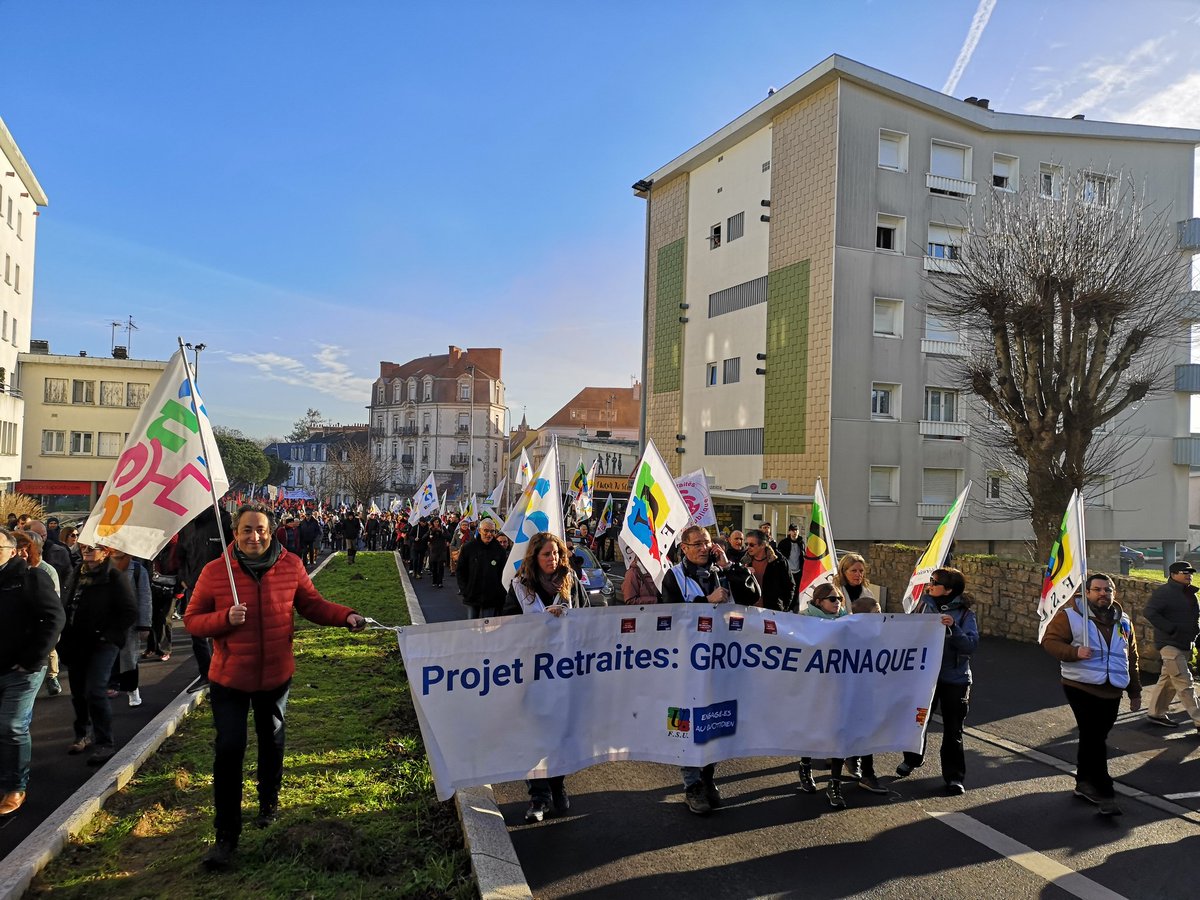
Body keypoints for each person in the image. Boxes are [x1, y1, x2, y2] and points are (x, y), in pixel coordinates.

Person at [184, 503, 366, 871]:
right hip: (230, 678)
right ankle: (226, 835)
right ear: (234, 534)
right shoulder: (217, 572)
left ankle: (268, 802)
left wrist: (346, 615)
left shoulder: (291, 565)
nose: (255, 537)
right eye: (247, 530)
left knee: (272, 739)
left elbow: (312, 605)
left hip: (275, 675)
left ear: (272, 531)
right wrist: (224, 619)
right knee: (230, 750)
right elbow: (192, 620)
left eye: (261, 530)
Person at [661, 524, 760, 814]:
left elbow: (751, 597)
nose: (704, 548)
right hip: (685, 664)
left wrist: (730, 566)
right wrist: (705, 602)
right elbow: (670, 616)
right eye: (698, 544)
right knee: (685, 724)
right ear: (684, 548)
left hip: (719, 660)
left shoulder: (722, 571)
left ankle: (707, 778)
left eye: (707, 542)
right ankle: (691, 785)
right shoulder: (674, 577)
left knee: (714, 721)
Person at [502, 531, 587, 823]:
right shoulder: (519, 586)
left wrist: (567, 617)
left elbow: (589, 621)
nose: (553, 559)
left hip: (564, 671)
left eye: (556, 553)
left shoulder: (570, 581)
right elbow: (508, 624)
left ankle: (558, 785)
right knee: (534, 734)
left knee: (559, 734)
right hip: (531, 673)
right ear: (534, 558)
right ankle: (538, 796)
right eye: (546, 555)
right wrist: (538, 623)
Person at [1041, 573, 1140, 815]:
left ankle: (1083, 783)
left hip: (1112, 689)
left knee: (1094, 737)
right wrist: (1075, 652)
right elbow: (1050, 641)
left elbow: (1131, 656)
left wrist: (1134, 692)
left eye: (1107, 590)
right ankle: (1105, 792)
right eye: (1097, 589)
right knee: (1094, 737)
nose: (1103, 594)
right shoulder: (1071, 616)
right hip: (1080, 686)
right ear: (1087, 593)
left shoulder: (1124, 621)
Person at [895, 567, 978, 794]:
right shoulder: (921, 606)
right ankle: (912, 759)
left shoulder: (965, 614)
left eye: (934, 582)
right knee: (919, 720)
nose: (929, 585)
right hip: (925, 677)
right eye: (930, 581)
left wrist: (953, 627)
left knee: (953, 730)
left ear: (949, 589)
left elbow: (970, 645)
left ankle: (954, 777)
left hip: (955, 678)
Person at [0, 527, 64, 819]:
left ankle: (15, 786)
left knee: (12, 725)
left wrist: (32, 659)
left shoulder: (31, 577)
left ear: (13, 551)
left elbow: (54, 619)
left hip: (22, 670)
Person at [59, 542, 137, 767]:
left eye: (93, 547)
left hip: (103, 644)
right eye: (84, 547)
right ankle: (82, 733)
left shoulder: (114, 576)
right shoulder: (76, 573)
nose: (87, 551)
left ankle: (105, 741)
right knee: (78, 692)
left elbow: (129, 611)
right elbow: (68, 605)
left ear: (106, 552)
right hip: (76, 642)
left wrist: (108, 635)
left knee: (95, 690)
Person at [797, 582, 852, 808]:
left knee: (839, 734)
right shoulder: (802, 620)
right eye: (832, 599)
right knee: (812, 728)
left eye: (839, 598)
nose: (837, 602)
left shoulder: (848, 622)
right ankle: (805, 766)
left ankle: (834, 783)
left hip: (840, 685)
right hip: (813, 685)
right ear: (818, 601)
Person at [177, 507, 234, 693]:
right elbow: (181, 554)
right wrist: (184, 578)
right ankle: (206, 674)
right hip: (194, 586)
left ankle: (224, 675)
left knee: (222, 632)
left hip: (222, 586)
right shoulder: (187, 523)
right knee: (198, 633)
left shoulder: (224, 520)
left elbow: (236, 551)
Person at [1142, 560, 1200, 731]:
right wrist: (1171, 629)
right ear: (1174, 575)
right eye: (1185, 572)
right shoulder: (1164, 592)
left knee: (1167, 680)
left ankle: (1156, 713)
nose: (1189, 575)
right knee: (1184, 681)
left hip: (1184, 644)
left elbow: (1194, 618)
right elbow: (1149, 612)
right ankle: (1198, 720)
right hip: (1169, 645)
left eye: (1190, 573)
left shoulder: (1191, 594)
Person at [107, 549, 152, 707]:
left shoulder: (138, 570)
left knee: (129, 658)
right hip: (107, 621)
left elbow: (145, 597)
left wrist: (144, 624)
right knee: (108, 656)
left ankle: (132, 690)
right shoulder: (102, 567)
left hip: (129, 623)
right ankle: (111, 684)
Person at [455, 520, 508, 618]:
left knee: (489, 628)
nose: (489, 534)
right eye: (486, 531)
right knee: (473, 627)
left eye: (492, 531)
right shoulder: (468, 548)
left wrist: (501, 593)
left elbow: (504, 573)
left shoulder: (500, 550)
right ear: (479, 530)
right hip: (472, 596)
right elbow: (460, 570)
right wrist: (465, 590)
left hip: (492, 598)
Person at [742, 529, 793, 612]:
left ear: (762, 545)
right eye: (746, 544)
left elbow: (790, 586)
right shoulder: (744, 562)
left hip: (772, 611)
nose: (748, 547)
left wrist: (785, 607)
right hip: (749, 610)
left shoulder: (778, 562)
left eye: (751, 545)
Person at [775, 523, 804, 609]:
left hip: (798, 571)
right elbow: (779, 556)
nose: (795, 532)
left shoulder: (801, 543)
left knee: (796, 590)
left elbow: (803, 555)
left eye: (796, 530)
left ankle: (794, 607)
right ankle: (787, 606)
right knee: (788, 588)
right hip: (788, 571)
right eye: (793, 530)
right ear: (789, 532)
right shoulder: (784, 543)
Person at [426, 518, 450, 588]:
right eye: (435, 522)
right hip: (433, 550)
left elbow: (449, 536)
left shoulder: (443, 528)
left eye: (438, 522)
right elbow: (424, 538)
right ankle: (434, 581)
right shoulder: (430, 529)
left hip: (441, 550)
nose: (436, 523)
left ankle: (440, 582)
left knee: (440, 566)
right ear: (432, 523)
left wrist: (442, 532)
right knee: (434, 567)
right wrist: (429, 536)